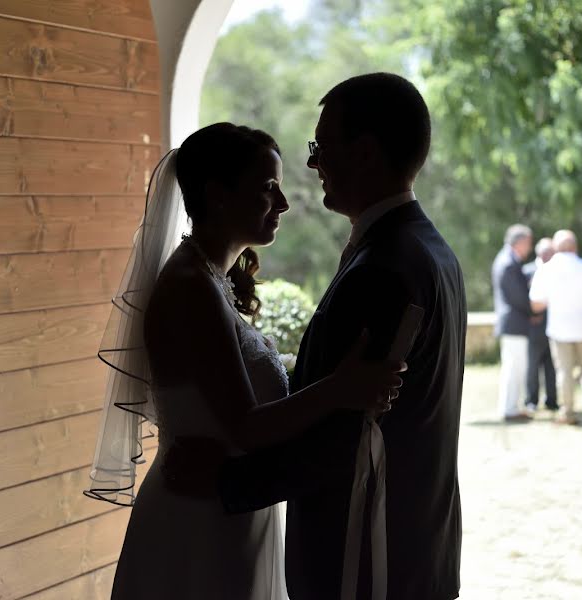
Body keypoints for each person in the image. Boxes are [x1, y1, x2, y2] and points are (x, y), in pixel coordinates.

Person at [169, 73, 467, 600]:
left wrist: (227, 485)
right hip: (413, 543)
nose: (311, 164)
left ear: (366, 152)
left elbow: (345, 436)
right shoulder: (429, 249)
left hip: (368, 555)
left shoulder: (386, 266)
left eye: (321, 146)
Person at [84, 123, 406, 600]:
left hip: (227, 502)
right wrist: (341, 388)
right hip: (201, 517)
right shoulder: (190, 286)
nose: (283, 203)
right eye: (267, 188)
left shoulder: (211, 278)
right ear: (217, 195)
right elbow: (246, 428)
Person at [529, 230, 582, 425]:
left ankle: (567, 412)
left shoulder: (546, 269)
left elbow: (536, 303)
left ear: (555, 247)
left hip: (559, 329)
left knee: (564, 372)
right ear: (575, 246)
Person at [492, 224, 535, 422]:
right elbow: (517, 296)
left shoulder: (507, 260)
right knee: (514, 368)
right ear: (521, 242)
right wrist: (533, 311)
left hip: (513, 323)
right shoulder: (508, 262)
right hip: (514, 323)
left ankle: (510, 407)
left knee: (514, 367)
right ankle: (509, 409)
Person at [523, 236, 558, 412]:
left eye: (551, 252)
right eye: (546, 252)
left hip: (554, 326)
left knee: (552, 366)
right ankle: (531, 400)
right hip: (533, 328)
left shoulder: (557, 271)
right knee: (532, 365)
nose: (548, 256)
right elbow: (522, 298)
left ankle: (552, 400)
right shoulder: (527, 271)